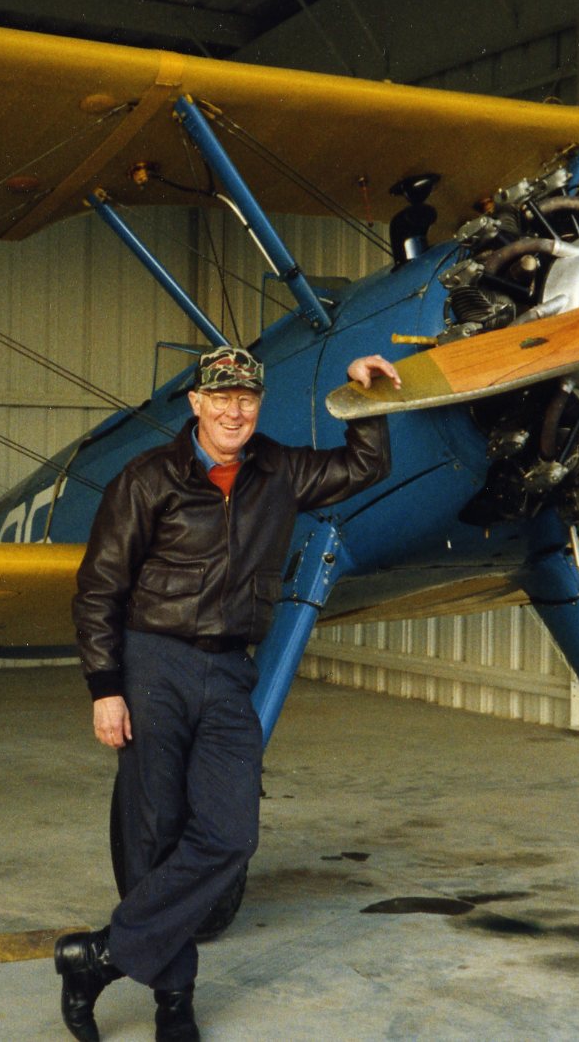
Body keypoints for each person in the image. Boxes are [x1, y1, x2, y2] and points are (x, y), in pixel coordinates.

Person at [56, 344, 398, 1041]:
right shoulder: (147, 478)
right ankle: (173, 1000)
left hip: (230, 669)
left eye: (245, 398)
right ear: (196, 405)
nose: (233, 411)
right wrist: (105, 687)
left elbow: (364, 467)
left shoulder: (279, 469)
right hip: (154, 662)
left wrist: (363, 397)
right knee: (155, 834)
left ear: (256, 404)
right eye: (219, 398)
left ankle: (96, 957)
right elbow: (98, 589)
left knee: (230, 834)